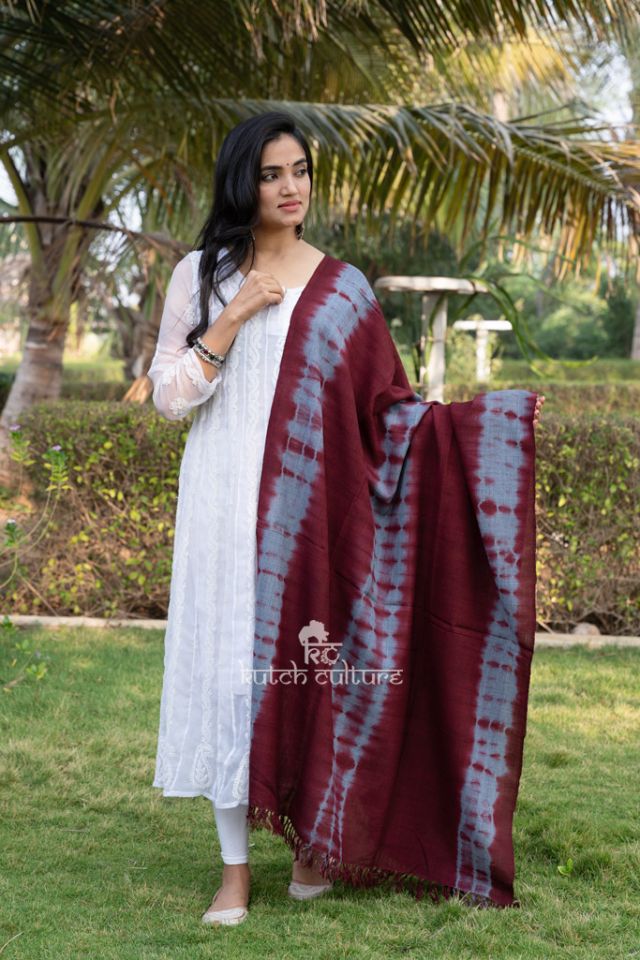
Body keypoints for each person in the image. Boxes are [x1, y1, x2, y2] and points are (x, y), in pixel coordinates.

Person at [148, 111, 545, 927]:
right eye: (271, 174)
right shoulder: (200, 275)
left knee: (309, 672)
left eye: (299, 171)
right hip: (221, 502)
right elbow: (167, 398)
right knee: (229, 676)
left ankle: (311, 843)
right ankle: (234, 871)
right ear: (242, 183)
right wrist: (232, 317)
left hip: (312, 514)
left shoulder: (343, 286)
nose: (290, 187)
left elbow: (387, 412)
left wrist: (483, 434)